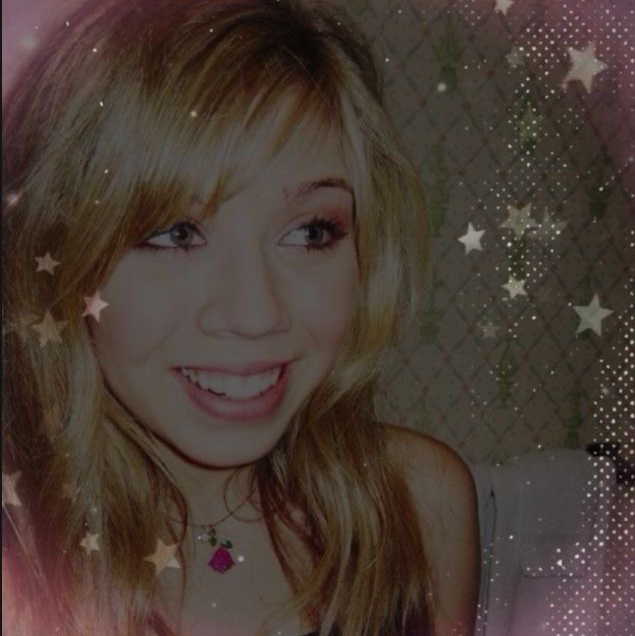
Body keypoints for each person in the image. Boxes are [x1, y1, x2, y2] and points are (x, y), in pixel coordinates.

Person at [1, 1, 481, 634]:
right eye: (175, 233)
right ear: (59, 256)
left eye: (310, 231)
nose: (256, 315)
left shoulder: (418, 508)